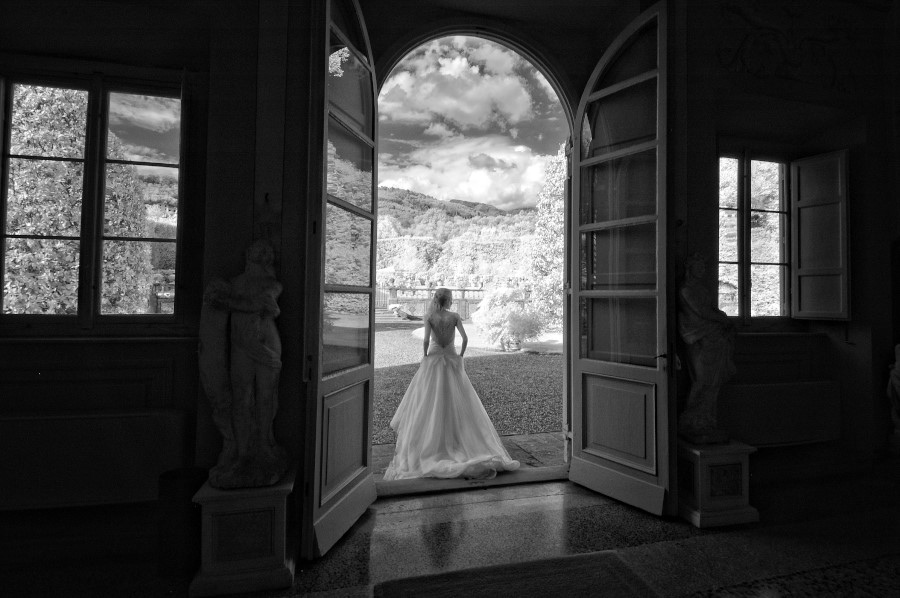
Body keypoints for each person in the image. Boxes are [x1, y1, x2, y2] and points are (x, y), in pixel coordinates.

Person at [383, 287, 520, 480]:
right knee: (458, 401)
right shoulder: (454, 316)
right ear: (448, 300)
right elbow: (465, 339)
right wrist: (460, 356)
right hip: (452, 359)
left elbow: (425, 340)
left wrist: (425, 356)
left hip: (433, 359)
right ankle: (458, 440)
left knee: (427, 401)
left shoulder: (429, 316)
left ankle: (430, 442)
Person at [677, 253, 736, 444]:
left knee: (713, 384)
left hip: (714, 338)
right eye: (698, 266)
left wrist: (721, 317)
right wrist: (723, 319)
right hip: (700, 338)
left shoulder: (701, 289)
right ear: (690, 269)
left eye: (704, 267)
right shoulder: (686, 290)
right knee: (702, 381)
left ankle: (706, 421)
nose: (702, 270)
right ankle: (692, 421)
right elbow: (701, 312)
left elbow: (711, 309)